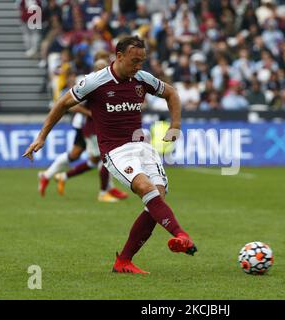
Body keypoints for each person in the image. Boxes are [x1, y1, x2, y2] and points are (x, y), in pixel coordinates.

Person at [23, 36, 197, 274]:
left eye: (142, 61)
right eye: (134, 61)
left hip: (142, 146)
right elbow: (63, 103)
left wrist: (175, 125)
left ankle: (123, 261)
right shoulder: (95, 81)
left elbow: (172, 93)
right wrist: (42, 136)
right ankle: (181, 235)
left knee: (157, 199)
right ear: (119, 56)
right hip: (115, 150)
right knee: (147, 190)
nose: (138, 66)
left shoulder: (141, 78)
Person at [38, 61, 128, 202]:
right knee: (103, 158)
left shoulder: (109, 81)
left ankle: (58, 176)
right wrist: (91, 114)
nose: (106, 70)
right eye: (101, 67)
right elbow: (71, 105)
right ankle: (104, 191)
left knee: (90, 158)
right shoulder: (90, 83)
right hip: (87, 126)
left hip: (97, 126)